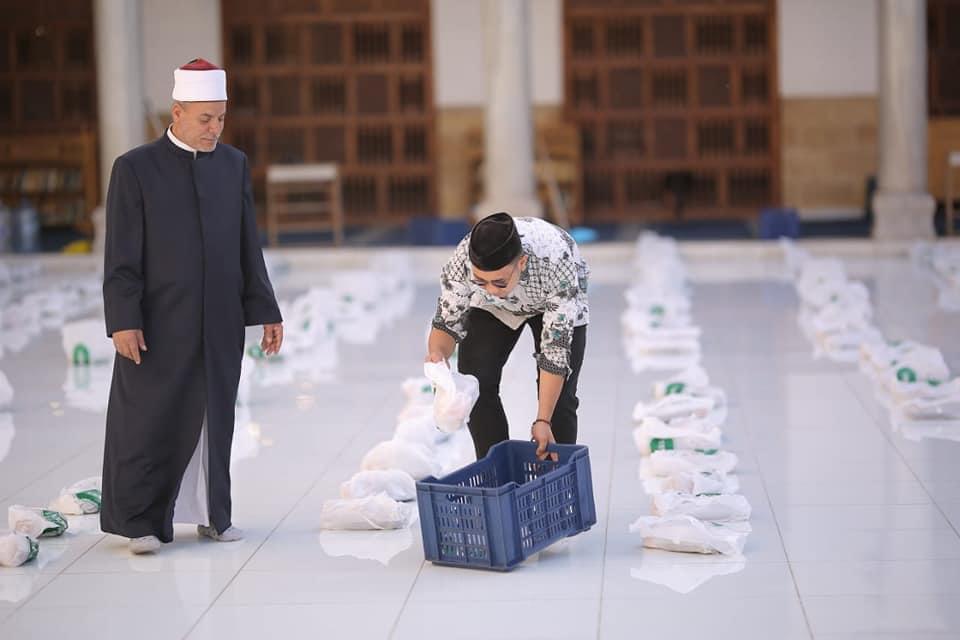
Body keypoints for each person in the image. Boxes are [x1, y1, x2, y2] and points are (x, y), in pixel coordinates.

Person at [100, 58, 283, 554]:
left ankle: (212, 515)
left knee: (216, 415)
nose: (215, 128)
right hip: (158, 320)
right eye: (205, 118)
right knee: (150, 418)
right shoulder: (135, 168)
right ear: (177, 113)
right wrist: (123, 319)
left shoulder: (233, 164)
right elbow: (121, 254)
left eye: (221, 118)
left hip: (220, 318)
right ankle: (141, 521)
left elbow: (248, 242)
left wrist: (266, 308)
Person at [426, 212, 589, 461]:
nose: (492, 289)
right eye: (481, 281)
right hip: (493, 309)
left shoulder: (557, 260)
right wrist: (438, 357)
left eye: (499, 282)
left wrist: (542, 419)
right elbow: (447, 321)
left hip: (552, 300)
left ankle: (556, 480)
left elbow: (555, 352)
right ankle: (496, 472)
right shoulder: (462, 260)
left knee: (560, 401)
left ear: (521, 263)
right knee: (476, 381)